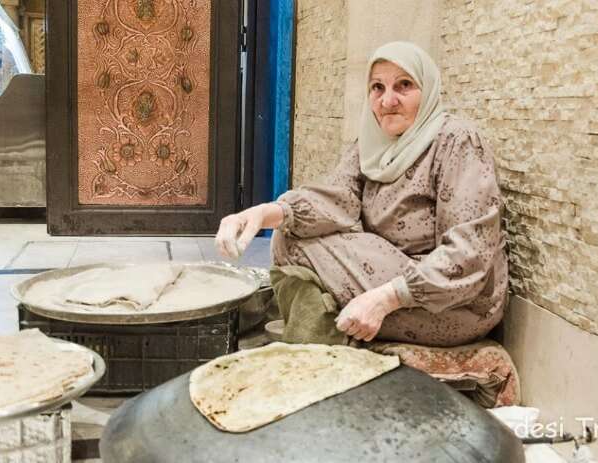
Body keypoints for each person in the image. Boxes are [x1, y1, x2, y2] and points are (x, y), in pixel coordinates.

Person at [215, 41, 508, 347]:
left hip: (454, 301)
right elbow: (337, 198)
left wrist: (384, 299)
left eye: (404, 85)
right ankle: (316, 337)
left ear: (428, 88)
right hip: (395, 270)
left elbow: (469, 254)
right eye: (377, 88)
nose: (388, 100)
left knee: (297, 249)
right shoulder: (374, 142)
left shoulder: (456, 141)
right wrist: (261, 213)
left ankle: (319, 338)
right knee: (288, 234)